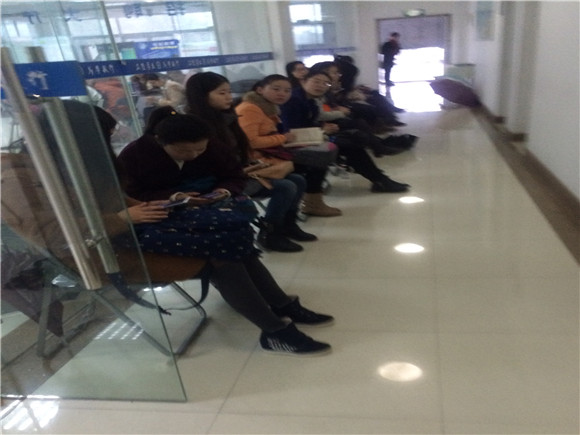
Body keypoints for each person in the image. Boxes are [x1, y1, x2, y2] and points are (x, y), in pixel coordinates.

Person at [112, 107, 335, 355]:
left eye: (199, 150)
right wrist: (173, 198)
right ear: (160, 141)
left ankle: (279, 311)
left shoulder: (210, 145)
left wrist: (222, 191)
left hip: (182, 215)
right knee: (226, 252)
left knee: (235, 242)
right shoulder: (133, 155)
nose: (193, 156)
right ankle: (276, 324)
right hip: (145, 228)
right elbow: (129, 200)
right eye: (184, 151)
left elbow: (234, 175)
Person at [183, 71, 319, 251]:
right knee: (286, 186)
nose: (229, 97)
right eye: (222, 93)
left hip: (239, 171)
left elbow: (241, 148)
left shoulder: (227, 117)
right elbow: (207, 161)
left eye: (229, 92)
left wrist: (249, 165)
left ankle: (287, 225)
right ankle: (270, 233)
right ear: (201, 96)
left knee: (298, 179)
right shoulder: (195, 125)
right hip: (217, 182)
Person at [280, 70, 410, 193]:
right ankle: (380, 178)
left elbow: (312, 119)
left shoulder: (310, 99)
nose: (320, 86)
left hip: (311, 137)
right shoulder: (294, 100)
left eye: (325, 83)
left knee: (353, 138)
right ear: (304, 82)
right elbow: (292, 131)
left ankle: (380, 177)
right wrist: (322, 130)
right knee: (349, 145)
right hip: (293, 144)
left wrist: (324, 127)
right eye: (316, 81)